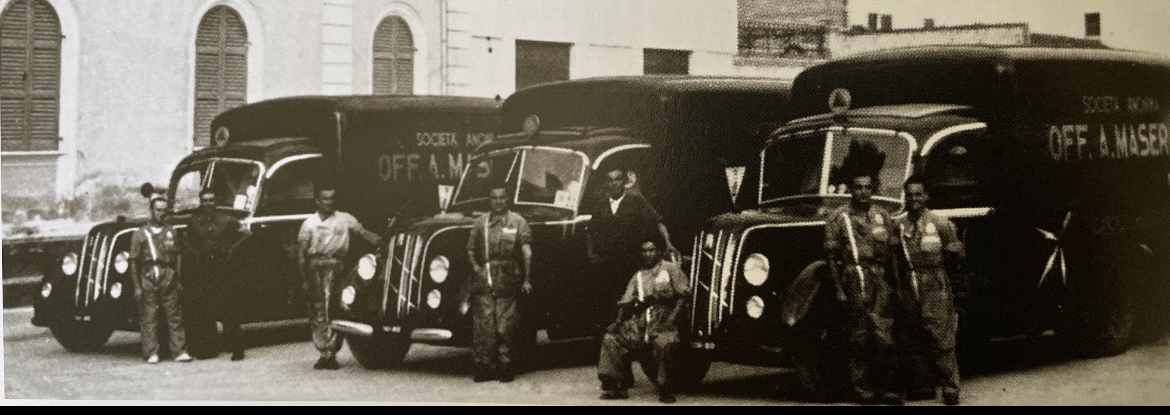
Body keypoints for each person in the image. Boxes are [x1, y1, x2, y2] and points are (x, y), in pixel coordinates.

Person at [823, 173, 902, 405]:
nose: (864, 192)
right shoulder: (838, 217)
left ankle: (888, 389)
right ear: (851, 190)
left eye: (868, 187)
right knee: (859, 337)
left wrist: (896, 284)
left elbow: (893, 253)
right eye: (858, 187)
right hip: (853, 277)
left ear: (873, 189)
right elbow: (831, 257)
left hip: (880, 278)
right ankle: (863, 390)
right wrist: (839, 289)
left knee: (884, 336)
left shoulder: (882, 215)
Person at [297, 185, 383, 370]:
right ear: (317, 201)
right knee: (318, 310)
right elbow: (301, 253)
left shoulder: (345, 218)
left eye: (332, 198)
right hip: (315, 268)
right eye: (325, 199)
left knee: (335, 308)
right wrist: (304, 279)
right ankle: (323, 352)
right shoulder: (309, 223)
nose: (329, 202)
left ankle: (332, 352)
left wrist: (382, 241)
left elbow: (364, 233)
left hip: (336, 267)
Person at [896, 176, 965, 405]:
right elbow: (895, 257)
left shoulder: (941, 223)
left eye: (918, 194)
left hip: (935, 282)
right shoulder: (899, 225)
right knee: (913, 335)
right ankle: (923, 385)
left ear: (926, 196)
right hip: (910, 281)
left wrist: (944, 280)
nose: (914, 198)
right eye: (910, 195)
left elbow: (957, 254)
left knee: (941, 336)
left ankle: (950, 388)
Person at [597, 238, 689, 404]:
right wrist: (618, 321)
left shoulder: (670, 268)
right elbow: (626, 301)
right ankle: (617, 386)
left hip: (663, 317)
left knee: (664, 343)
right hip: (642, 319)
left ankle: (664, 388)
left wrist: (672, 319)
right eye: (644, 251)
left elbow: (683, 296)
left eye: (651, 250)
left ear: (658, 252)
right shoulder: (638, 276)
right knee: (611, 339)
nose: (648, 254)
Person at [585, 168, 678, 331]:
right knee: (608, 297)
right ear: (606, 184)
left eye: (618, 179)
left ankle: (632, 331)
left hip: (630, 260)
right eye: (610, 180)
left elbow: (658, 221)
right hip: (607, 261)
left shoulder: (636, 200)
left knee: (632, 295)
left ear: (624, 182)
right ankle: (610, 332)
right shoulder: (600, 204)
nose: (614, 183)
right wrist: (591, 253)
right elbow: (591, 231)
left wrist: (668, 244)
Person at [463, 184, 533, 383]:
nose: (498, 202)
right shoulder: (480, 223)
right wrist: (477, 268)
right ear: (489, 200)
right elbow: (470, 249)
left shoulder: (518, 222)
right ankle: (483, 366)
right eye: (494, 198)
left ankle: (505, 365)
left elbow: (527, 251)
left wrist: (527, 279)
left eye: (502, 197)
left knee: (505, 324)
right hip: (484, 279)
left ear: (507, 198)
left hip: (508, 278)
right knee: (484, 324)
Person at [182, 189, 250, 361]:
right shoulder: (194, 221)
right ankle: (208, 349)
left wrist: (231, 250)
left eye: (211, 200)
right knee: (205, 310)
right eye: (205, 200)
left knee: (229, 309)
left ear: (216, 201)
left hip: (223, 269)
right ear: (200, 202)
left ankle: (237, 348)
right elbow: (186, 241)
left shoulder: (226, 219)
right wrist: (196, 254)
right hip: (204, 269)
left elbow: (246, 233)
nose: (208, 203)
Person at [129, 197, 192, 364]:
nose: (161, 213)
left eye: (164, 210)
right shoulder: (141, 233)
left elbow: (177, 255)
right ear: (151, 211)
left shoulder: (170, 231)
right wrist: (137, 286)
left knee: (174, 315)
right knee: (149, 316)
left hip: (167, 274)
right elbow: (133, 261)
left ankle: (179, 351)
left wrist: (177, 278)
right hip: (148, 275)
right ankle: (151, 352)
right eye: (158, 209)